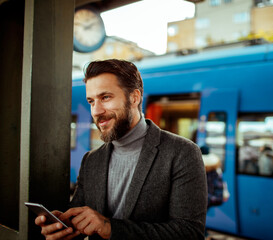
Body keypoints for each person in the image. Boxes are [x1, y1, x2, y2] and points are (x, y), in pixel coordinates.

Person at [35, 59, 207, 240]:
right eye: (91, 101)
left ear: (134, 97)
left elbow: (189, 233)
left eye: (105, 97)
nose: (96, 111)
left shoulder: (182, 153)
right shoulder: (91, 160)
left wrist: (109, 228)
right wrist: (63, 227)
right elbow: (80, 219)